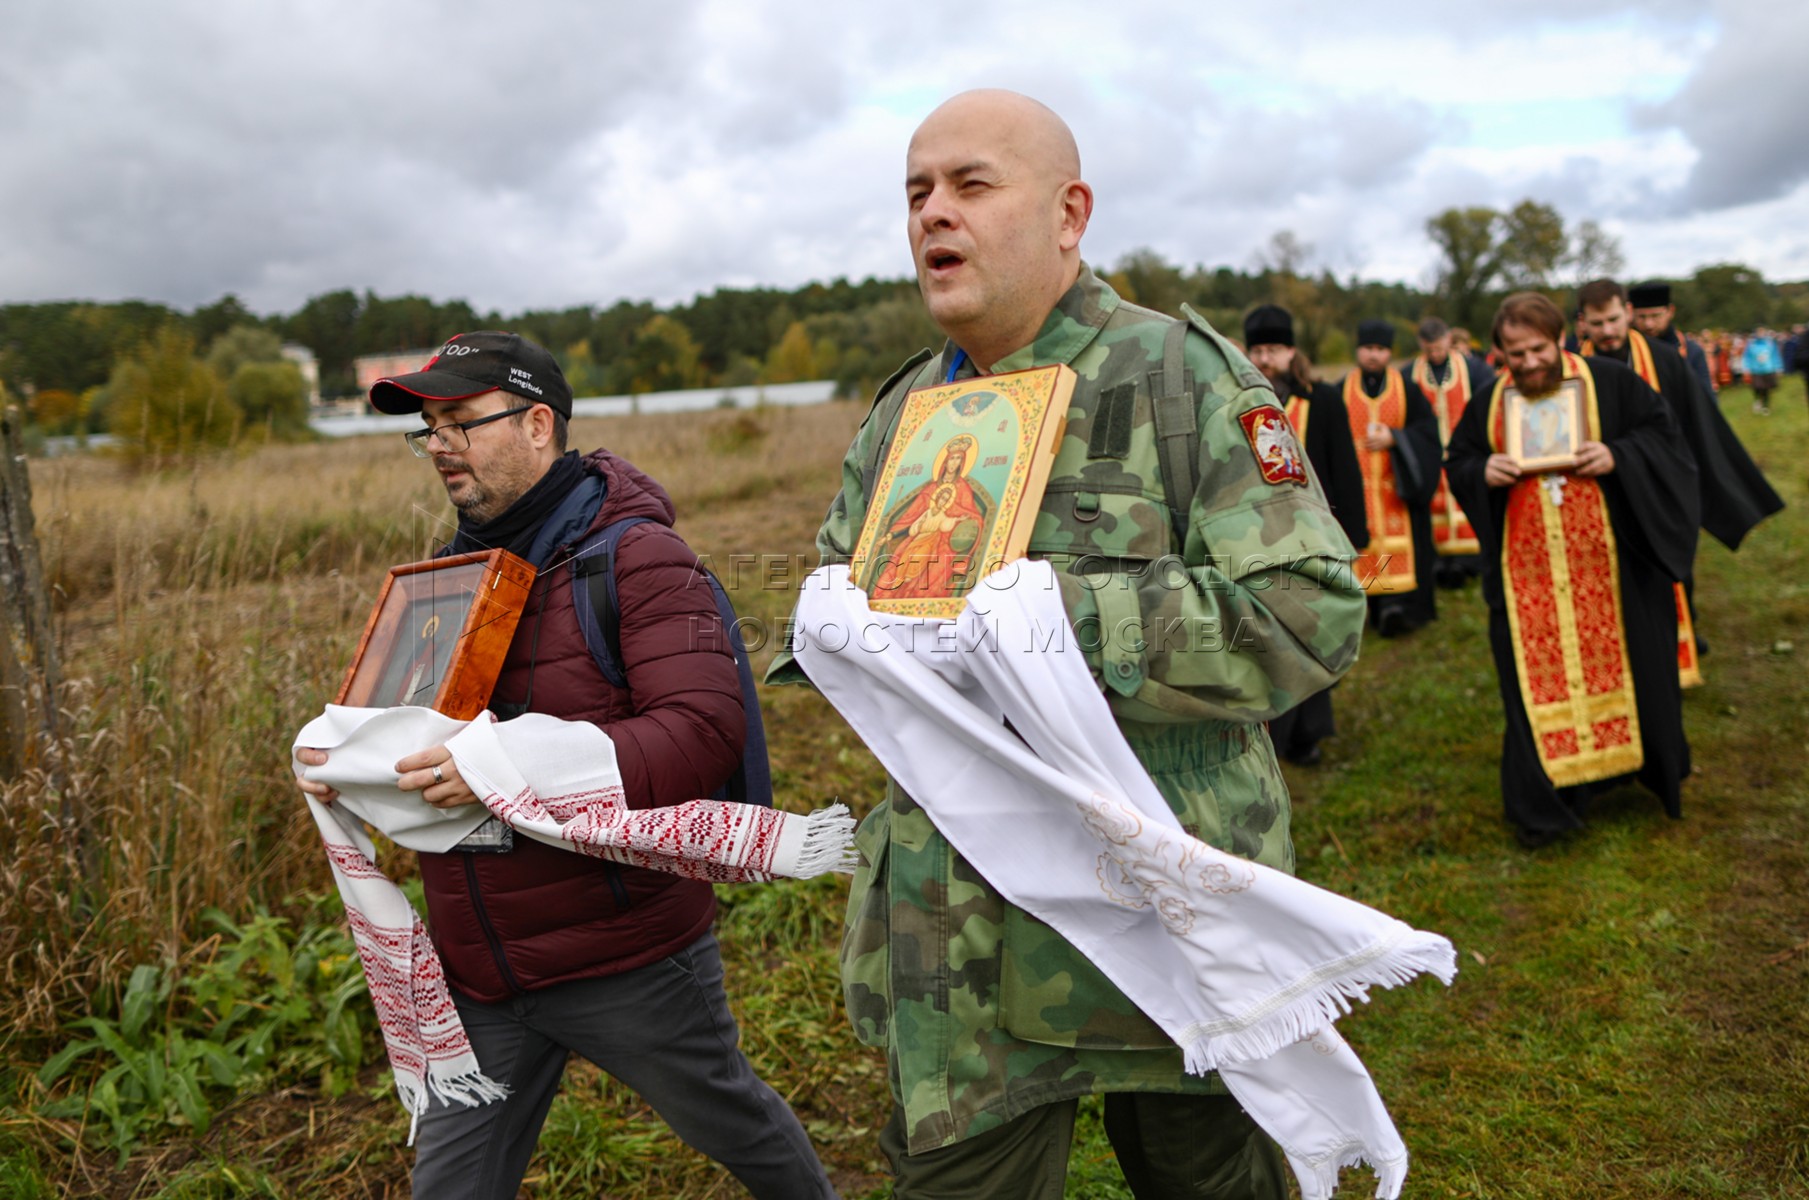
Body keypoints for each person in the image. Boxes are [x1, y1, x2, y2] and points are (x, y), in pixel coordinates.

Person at [767, 89, 1365, 1199]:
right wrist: (830, 630)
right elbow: (848, 585)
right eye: (915, 192)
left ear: (1068, 213)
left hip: (1159, 909)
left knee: (1210, 1183)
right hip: (955, 932)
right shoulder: (905, 413)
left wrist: (1056, 622)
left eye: (970, 185)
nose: (932, 213)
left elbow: (1305, 612)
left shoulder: (1181, 378)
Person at [295, 332, 837, 1200]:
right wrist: (353, 763)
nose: (439, 445)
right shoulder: (446, 575)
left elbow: (701, 731)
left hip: (624, 956)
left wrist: (504, 765)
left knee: (738, 1128)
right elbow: (417, 731)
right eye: (428, 429)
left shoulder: (641, 561)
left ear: (537, 423)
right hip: (479, 965)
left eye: (461, 422)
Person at [1446, 294, 1699, 849]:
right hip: (1529, 578)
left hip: (1614, 569)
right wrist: (1482, 469)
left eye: (1538, 349)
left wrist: (1618, 456)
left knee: (1635, 668)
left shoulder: (1610, 382)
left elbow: (1665, 439)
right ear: (1500, 352)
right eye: (1516, 354)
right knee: (1533, 686)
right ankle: (1552, 804)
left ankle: (1636, 771)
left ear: (1559, 337)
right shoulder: (1490, 401)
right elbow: (1458, 459)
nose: (1530, 363)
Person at [1576, 280, 1783, 663]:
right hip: (1600, 487)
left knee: (1671, 563)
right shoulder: (1571, 367)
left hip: (1662, 481)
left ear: (1627, 313)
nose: (1607, 331)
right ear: (1582, 323)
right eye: (1597, 323)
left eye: (1614, 319)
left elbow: (1696, 422)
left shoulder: (1664, 360)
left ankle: (1679, 636)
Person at [1243, 303, 1367, 766]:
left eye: (1274, 349)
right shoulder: (1241, 399)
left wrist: (1354, 531)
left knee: (1315, 630)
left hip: (1317, 534)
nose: (1265, 359)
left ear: (1292, 351)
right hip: (1261, 537)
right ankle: (1274, 731)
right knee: (1274, 634)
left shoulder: (1323, 399)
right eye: (1258, 350)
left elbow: (1344, 464)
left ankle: (1308, 733)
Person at [1341, 318, 1442, 636]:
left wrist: (1396, 438)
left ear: (1389, 352)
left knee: (1405, 547)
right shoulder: (1340, 390)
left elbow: (1428, 434)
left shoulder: (1407, 389)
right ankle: (1367, 608)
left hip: (1396, 489)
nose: (1374, 355)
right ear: (1358, 350)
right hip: (1356, 492)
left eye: (1381, 349)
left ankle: (1399, 608)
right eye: (1368, 348)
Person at [1407, 316, 1494, 588]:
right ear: (1421, 344)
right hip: (1429, 454)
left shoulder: (1473, 369)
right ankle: (1439, 562)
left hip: (1463, 450)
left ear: (1448, 339)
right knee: (1433, 506)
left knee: (1466, 500)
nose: (1435, 354)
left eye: (1439, 347)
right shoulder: (1409, 373)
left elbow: (1487, 401)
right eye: (1429, 349)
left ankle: (1470, 561)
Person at [1628, 279, 1716, 400]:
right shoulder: (1626, 350)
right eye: (1641, 317)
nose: (1649, 324)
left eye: (1655, 316)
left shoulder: (1691, 351)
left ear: (1670, 311)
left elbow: (1706, 400)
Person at [1740, 327, 1783, 414]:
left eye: (1762, 332)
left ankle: (1766, 406)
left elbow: (1775, 356)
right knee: (1757, 388)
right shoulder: (1751, 344)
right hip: (1756, 370)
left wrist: (1778, 367)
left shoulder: (1770, 343)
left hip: (1768, 369)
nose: (1761, 334)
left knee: (1766, 388)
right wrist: (1746, 368)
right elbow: (1747, 357)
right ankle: (1757, 400)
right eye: (1759, 332)